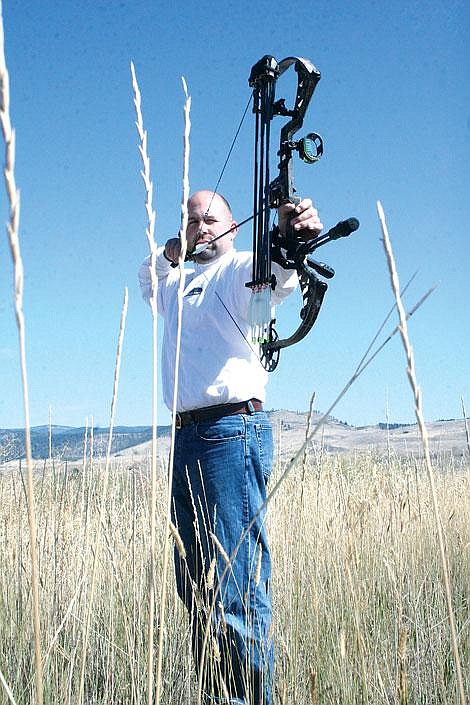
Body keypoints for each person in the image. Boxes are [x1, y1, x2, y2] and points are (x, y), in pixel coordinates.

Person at [139, 190, 322, 705]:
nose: (201, 226)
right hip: (187, 436)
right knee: (195, 585)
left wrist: (290, 237)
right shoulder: (174, 283)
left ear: (234, 227)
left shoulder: (239, 269)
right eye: (192, 219)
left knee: (236, 587)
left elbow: (277, 275)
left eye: (211, 217)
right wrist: (171, 251)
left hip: (230, 434)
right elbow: (146, 277)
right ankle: (216, 696)